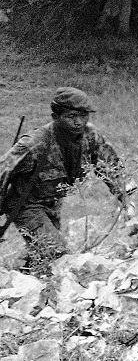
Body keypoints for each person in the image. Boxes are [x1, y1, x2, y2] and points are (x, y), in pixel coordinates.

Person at [0, 88, 131, 276]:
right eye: (71, 116)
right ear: (56, 117)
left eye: (83, 116)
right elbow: (3, 171)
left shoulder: (90, 136)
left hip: (52, 203)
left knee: (43, 254)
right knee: (57, 253)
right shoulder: (35, 143)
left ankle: (22, 277)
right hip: (26, 205)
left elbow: (110, 167)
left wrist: (125, 199)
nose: (79, 122)